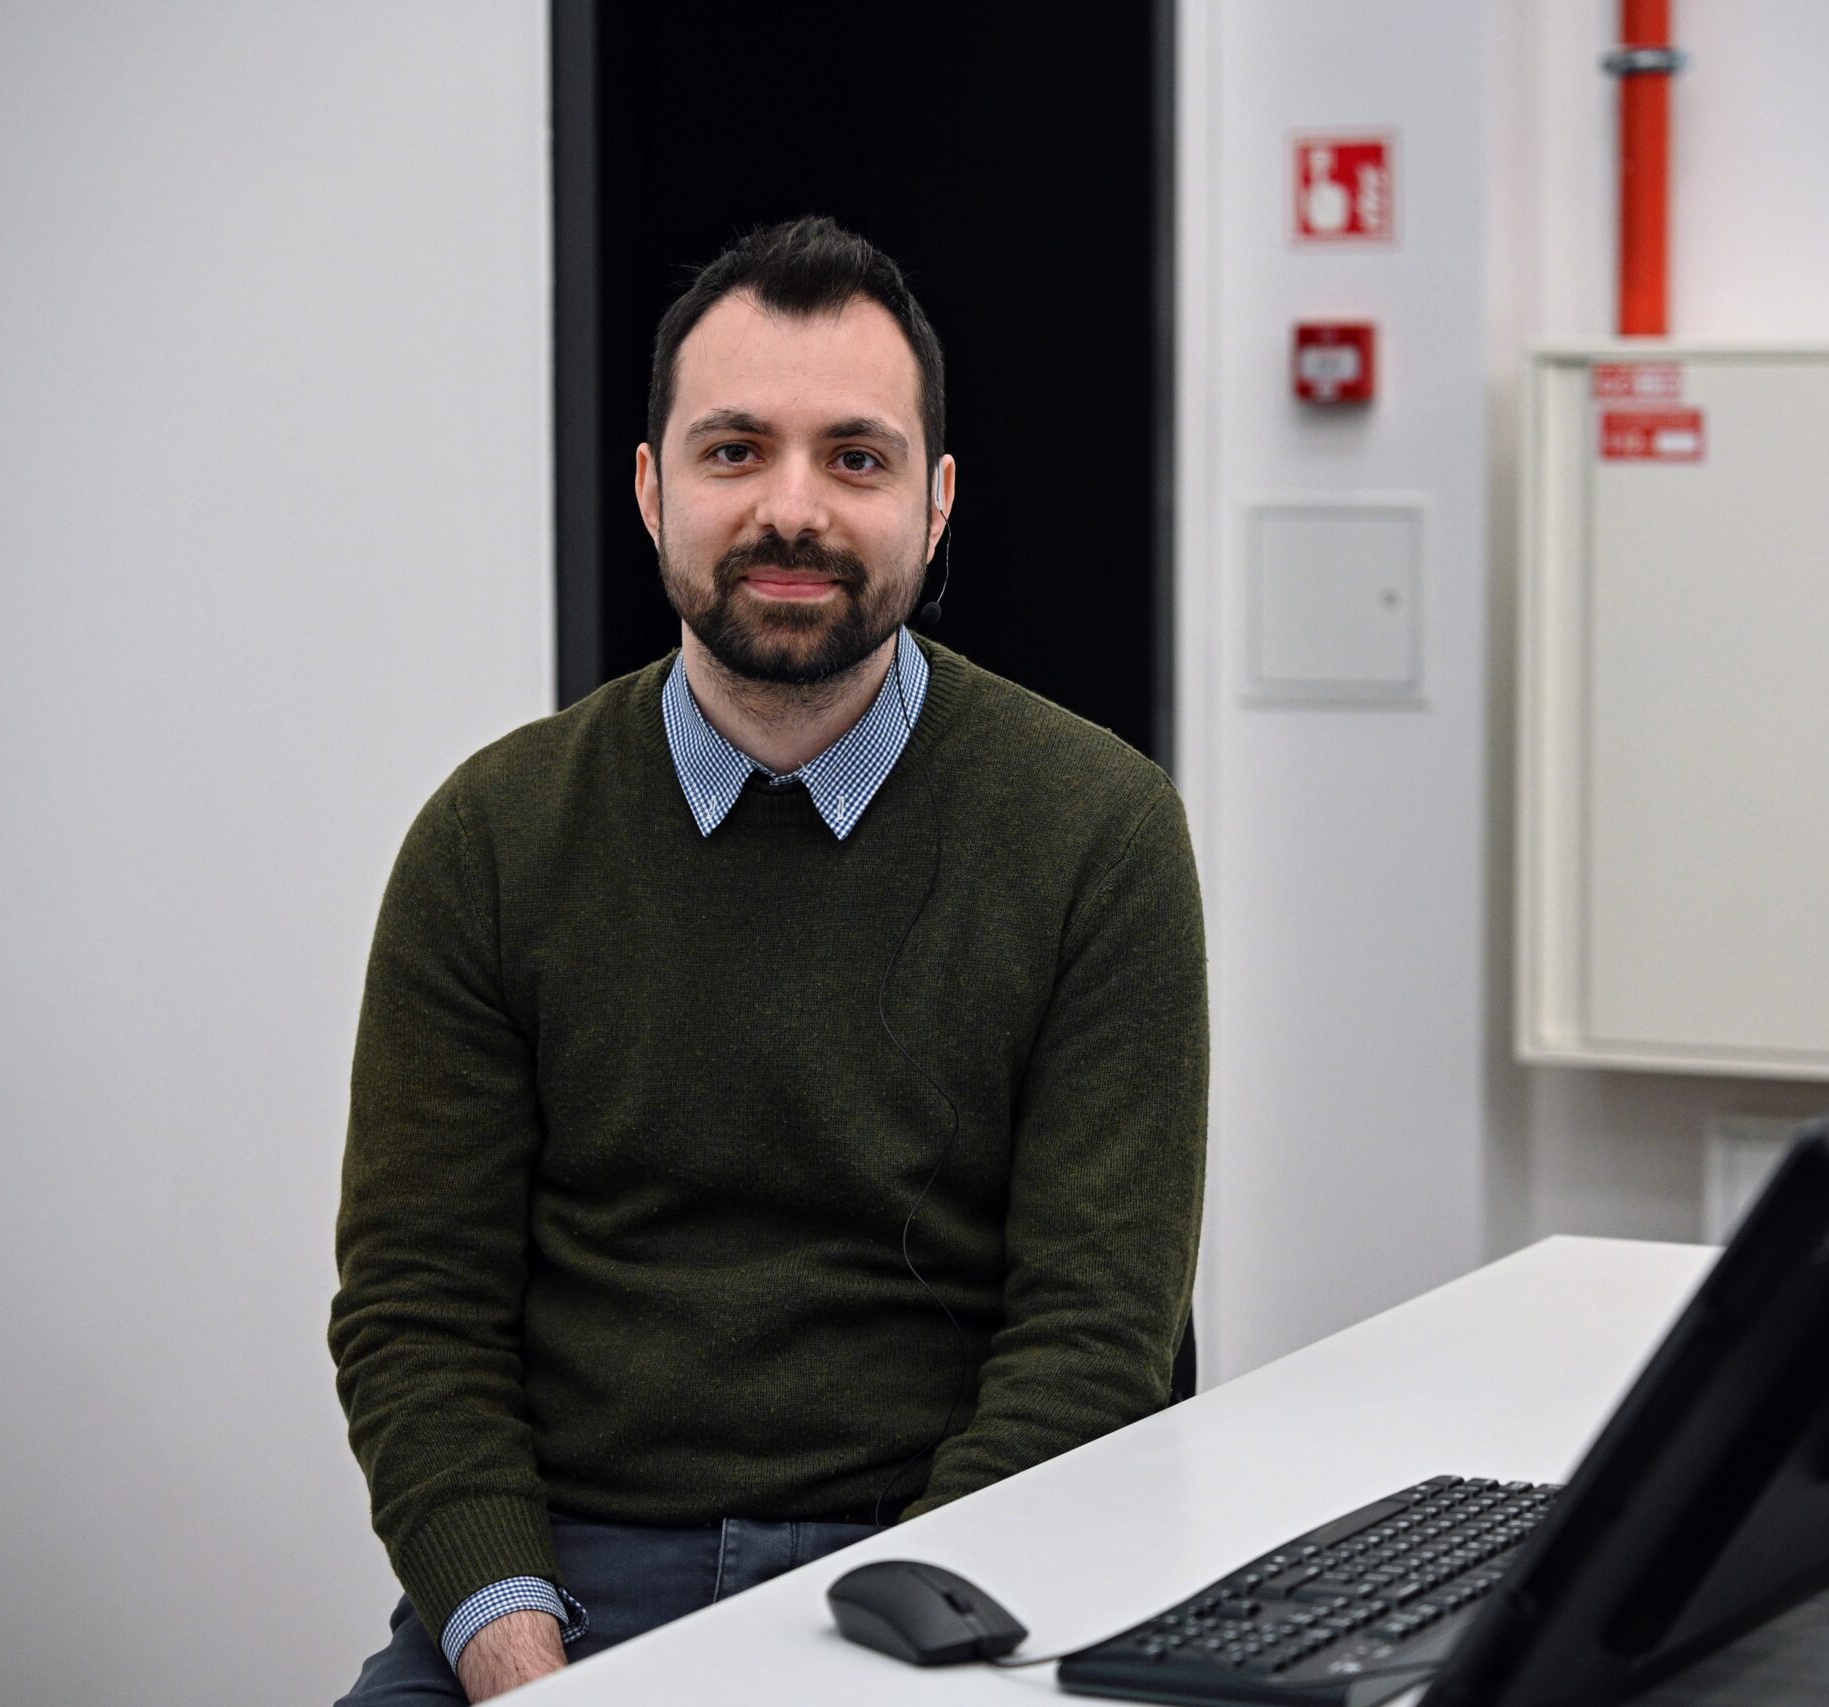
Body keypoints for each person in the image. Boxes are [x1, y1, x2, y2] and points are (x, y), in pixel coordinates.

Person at [327, 216, 1209, 1702]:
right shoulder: (491, 837)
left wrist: (903, 1650)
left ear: (936, 505)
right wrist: (521, 1661)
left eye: (855, 459)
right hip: (574, 1576)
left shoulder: (1096, 831)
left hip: (944, 1563)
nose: (791, 509)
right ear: (650, 489)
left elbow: (1097, 1338)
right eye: (734, 451)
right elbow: (415, 1313)